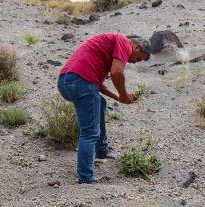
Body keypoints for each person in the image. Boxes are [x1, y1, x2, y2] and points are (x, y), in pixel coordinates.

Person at [57, 33, 152, 184]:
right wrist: (124, 93)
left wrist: (120, 98)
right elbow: (116, 72)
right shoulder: (124, 42)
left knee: (100, 103)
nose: (134, 62)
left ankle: (101, 152)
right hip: (81, 81)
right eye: (138, 58)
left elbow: (98, 83)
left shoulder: (108, 49)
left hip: (66, 82)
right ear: (137, 47)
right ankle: (86, 179)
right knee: (89, 132)